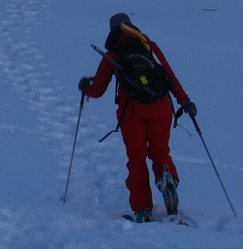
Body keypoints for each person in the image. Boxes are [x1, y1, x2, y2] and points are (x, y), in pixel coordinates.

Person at [79, 13, 197, 222]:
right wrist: (184, 101)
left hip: (131, 111)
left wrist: (85, 88)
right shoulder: (149, 46)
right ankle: (166, 180)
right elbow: (169, 76)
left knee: (137, 159)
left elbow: (97, 90)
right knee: (160, 151)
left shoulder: (112, 54)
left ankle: (143, 210)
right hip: (161, 107)